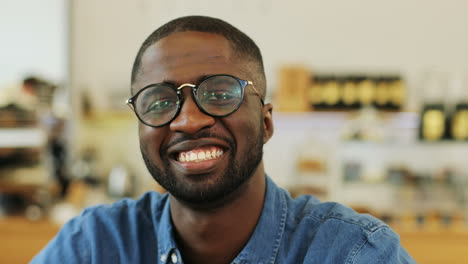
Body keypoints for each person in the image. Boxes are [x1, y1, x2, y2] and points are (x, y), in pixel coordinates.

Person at [33, 16, 416, 263]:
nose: (188, 120)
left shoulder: (352, 253)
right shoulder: (96, 247)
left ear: (266, 122)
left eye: (218, 94)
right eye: (160, 100)